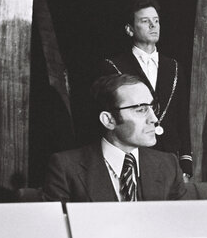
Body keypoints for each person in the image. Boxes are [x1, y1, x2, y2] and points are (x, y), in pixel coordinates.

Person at [42, 74, 187, 202]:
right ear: (109, 120)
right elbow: (54, 230)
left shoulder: (169, 165)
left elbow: (180, 226)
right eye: (141, 109)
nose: (154, 119)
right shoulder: (66, 168)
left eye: (152, 107)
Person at [101, 0, 193, 180]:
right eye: (145, 21)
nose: (153, 26)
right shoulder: (113, 66)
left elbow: (182, 116)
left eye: (156, 21)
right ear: (129, 29)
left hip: (169, 158)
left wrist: (186, 161)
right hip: (132, 155)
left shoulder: (173, 67)